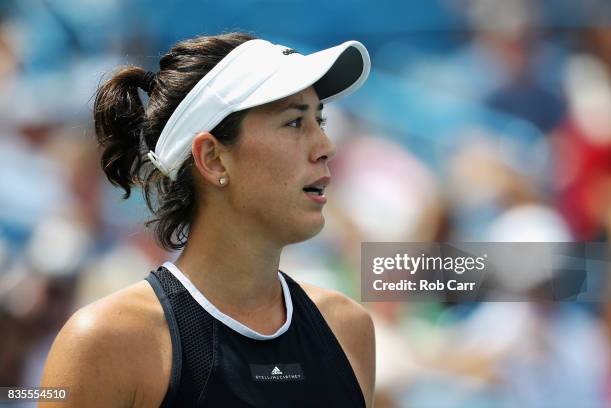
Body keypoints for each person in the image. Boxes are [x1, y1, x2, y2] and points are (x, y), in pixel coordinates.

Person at [40, 32, 375, 407]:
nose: (326, 147)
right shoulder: (105, 341)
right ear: (213, 158)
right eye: (295, 123)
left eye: (320, 119)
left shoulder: (349, 328)